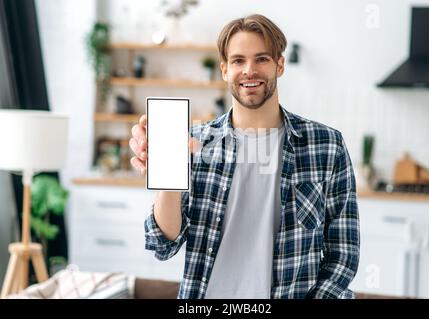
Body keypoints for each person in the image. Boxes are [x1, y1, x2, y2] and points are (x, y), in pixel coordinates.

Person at [129, 14, 360, 299]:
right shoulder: (194, 143)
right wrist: (167, 176)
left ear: (280, 65)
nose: (249, 70)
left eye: (261, 59)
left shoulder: (326, 146)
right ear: (225, 70)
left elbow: (343, 255)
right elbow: (163, 244)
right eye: (238, 61)